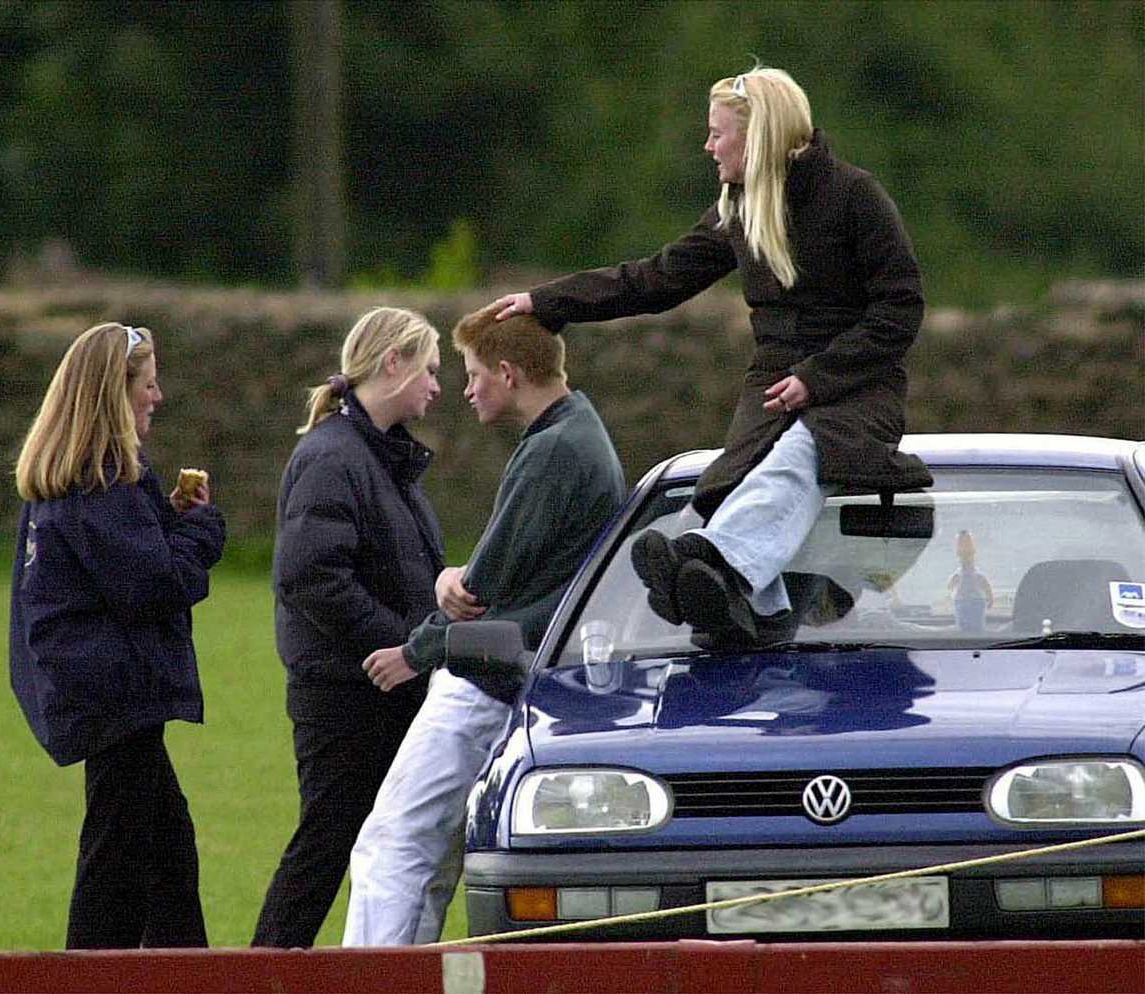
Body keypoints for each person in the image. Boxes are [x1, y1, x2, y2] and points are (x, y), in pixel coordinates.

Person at [493, 64, 933, 642]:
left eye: (718, 133)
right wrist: (549, 303)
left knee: (800, 456)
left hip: (857, 389)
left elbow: (900, 309)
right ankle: (759, 605)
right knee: (724, 488)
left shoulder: (855, 197)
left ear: (757, 137)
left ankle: (716, 565)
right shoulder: (737, 208)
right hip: (773, 390)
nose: (708, 146)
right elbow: (655, 278)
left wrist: (817, 379)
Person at [342, 304, 626, 946]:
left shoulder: (553, 451)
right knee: (434, 858)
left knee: (393, 848)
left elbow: (480, 588)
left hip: (481, 683)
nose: (465, 389)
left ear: (507, 372)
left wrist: (416, 649)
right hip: (518, 674)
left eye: (472, 374)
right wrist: (453, 583)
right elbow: (520, 566)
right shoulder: (578, 432)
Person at [9, 321, 226, 949]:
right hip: (116, 699)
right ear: (114, 392)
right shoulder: (101, 480)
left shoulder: (78, 479)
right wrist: (204, 529)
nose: (157, 398)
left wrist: (168, 520)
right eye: (148, 385)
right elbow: (153, 585)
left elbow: (130, 561)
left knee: (161, 855)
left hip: (99, 693)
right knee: (121, 865)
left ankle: (182, 977)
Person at [252, 306, 445, 948]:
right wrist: (400, 643)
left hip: (378, 689)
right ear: (393, 364)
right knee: (327, 844)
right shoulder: (333, 457)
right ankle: (266, 970)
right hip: (347, 695)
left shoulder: (372, 456)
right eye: (429, 369)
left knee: (358, 841)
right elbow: (309, 577)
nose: (436, 387)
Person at [948, 529, 993, 632]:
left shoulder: (978, 577)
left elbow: (985, 585)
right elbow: (950, 587)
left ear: (974, 552)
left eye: (969, 553)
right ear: (958, 553)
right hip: (962, 604)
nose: (966, 557)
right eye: (963, 553)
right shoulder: (958, 576)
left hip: (976, 604)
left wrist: (990, 598)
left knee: (976, 629)